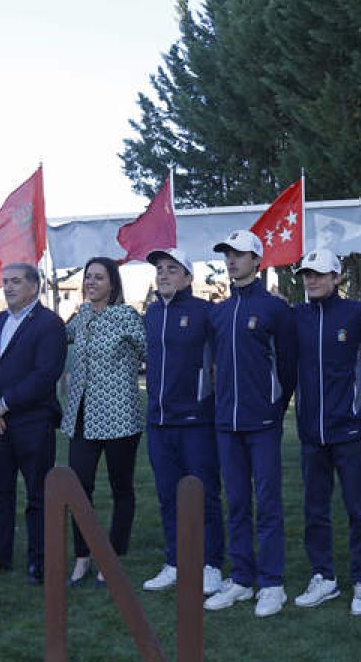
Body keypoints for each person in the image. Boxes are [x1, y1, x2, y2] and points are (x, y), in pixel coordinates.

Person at [202, 230, 296, 618]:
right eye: (227, 254)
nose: (231, 260)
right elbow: (212, 365)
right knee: (237, 503)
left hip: (262, 422)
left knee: (268, 503)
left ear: (257, 261)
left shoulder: (274, 309)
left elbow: (288, 368)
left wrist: (275, 409)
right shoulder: (219, 312)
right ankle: (241, 578)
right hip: (227, 423)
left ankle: (272, 583)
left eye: (239, 254)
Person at [290, 249, 361, 615]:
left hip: (350, 432)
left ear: (337, 277)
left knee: (358, 510)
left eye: (320, 274)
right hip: (312, 432)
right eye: (307, 275)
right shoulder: (296, 317)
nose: (312, 280)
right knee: (315, 510)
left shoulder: (356, 314)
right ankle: (323, 577)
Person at [0, 263, 66, 582]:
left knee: (38, 495)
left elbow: (45, 374)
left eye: (16, 281)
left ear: (34, 286)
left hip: (32, 423)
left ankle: (40, 562)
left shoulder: (49, 324)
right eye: (5, 281)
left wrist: (3, 406)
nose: (8, 287)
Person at [140, 248, 225, 596]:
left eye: (172, 269)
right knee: (167, 496)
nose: (163, 274)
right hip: (159, 422)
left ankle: (211, 564)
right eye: (160, 269)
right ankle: (175, 561)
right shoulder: (151, 313)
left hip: (196, 421)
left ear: (189, 278)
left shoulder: (206, 313)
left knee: (204, 495)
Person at [62, 257, 147, 587]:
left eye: (98, 277)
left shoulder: (126, 316)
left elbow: (149, 351)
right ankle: (82, 557)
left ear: (112, 284)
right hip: (82, 417)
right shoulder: (81, 316)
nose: (91, 282)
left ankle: (111, 559)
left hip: (119, 417)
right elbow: (58, 335)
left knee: (120, 488)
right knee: (78, 487)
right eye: (88, 277)